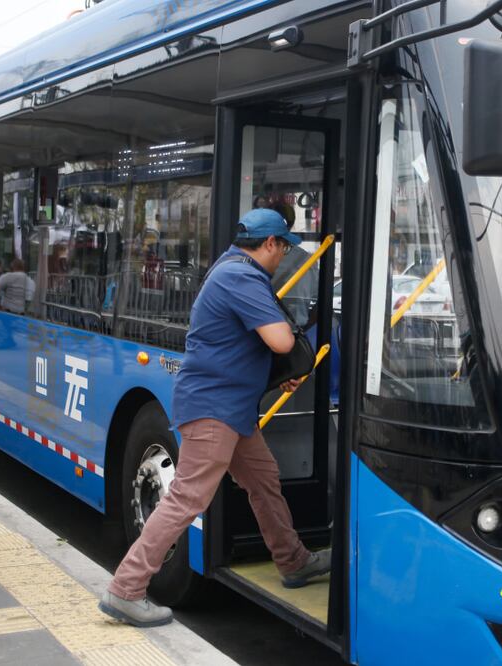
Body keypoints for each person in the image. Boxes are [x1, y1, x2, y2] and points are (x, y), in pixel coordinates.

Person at [98, 208, 331, 627]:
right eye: (284, 249)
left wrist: (277, 375)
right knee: (188, 497)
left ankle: (293, 562)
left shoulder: (230, 268)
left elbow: (243, 345)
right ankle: (125, 589)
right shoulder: (241, 276)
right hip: (213, 410)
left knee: (263, 480)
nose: (284, 259)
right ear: (271, 244)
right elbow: (279, 338)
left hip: (232, 410)